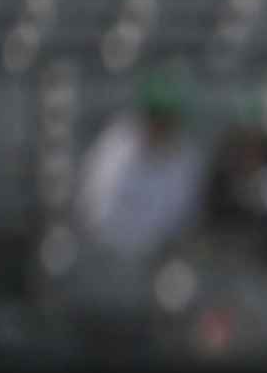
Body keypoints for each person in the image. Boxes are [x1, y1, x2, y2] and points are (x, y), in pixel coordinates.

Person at [75, 72, 208, 263]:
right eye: (156, 115)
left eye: (168, 117)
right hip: (106, 254)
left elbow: (185, 218)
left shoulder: (187, 157)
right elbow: (94, 209)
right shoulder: (115, 145)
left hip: (161, 262)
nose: (161, 124)